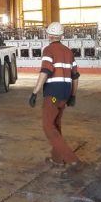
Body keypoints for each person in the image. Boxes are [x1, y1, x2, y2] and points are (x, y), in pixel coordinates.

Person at [29, 22, 80, 166]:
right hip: (65, 93)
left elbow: (45, 71)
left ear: (49, 35)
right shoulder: (69, 52)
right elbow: (75, 77)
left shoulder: (48, 50)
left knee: (47, 126)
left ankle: (72, 159)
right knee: (56, 124)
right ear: (61, 36)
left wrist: (35, 92)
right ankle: (57, 159)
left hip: (52, 92)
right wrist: (73, 95)